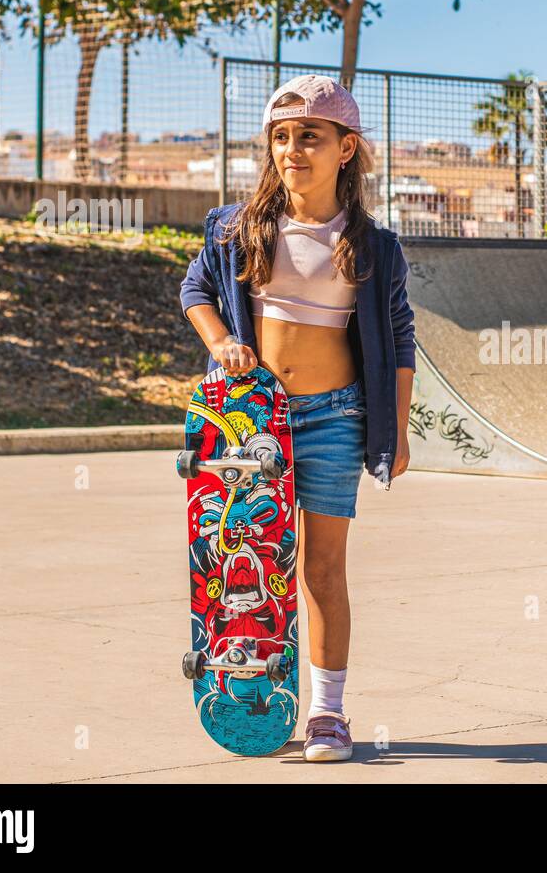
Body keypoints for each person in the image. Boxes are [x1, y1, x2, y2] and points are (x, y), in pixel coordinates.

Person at [179, 74, 416, 762]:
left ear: (347, 148)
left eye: (309, 137)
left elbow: (399, 339)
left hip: (337, 415)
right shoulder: (240, 227)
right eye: (281, 138)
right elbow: (195, 287)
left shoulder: (372, 246)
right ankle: (254, 687)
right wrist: (221, 341)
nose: (292, 150)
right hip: (253, 420)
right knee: (247, 563)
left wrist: (395, 432)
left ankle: (327, 713)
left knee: (321, 570)